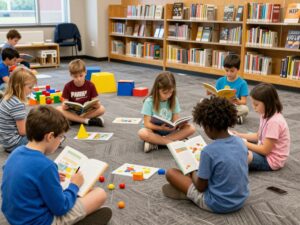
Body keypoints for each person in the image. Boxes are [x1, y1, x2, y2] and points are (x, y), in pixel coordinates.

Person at [1, 105, 112, 225]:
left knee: (79, 193)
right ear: (49, 137)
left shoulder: (16, 152)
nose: (60, 140)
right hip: (40, 221)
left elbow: (23, 177)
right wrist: (74, 185)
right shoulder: (46, 166)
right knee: (99, 193)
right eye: (60, 137)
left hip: (14, 218)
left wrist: (49, 178)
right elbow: (61, 208)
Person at [162, 97, 249, 213]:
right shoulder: (240, 142)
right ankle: (187, 190)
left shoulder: (208, 151)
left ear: (208, 127)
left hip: (216, 204)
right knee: (204, 172)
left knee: (171, 173)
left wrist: (192, 170)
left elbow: (200, 187)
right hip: (240, 199)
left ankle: (188, 195)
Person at [231, 83, 290, 171]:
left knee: (240, 154)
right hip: (265, 148)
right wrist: (239, 135)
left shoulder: (274, 122)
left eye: (256, 104)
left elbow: (265, 150)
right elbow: (258, 136)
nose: (254, 107)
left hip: (271, 160)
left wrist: (243, 143)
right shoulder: (265, 114)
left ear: (268, 103)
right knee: (246, 137)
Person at [138, 71, 195, 153]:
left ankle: (156, 143)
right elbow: (147, 124)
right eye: (165, 93)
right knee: (142, 133)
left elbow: (175, 120)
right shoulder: (149, 101)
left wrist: (179, 124)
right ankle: (172, 143)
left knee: (191, 128)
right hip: (154, 130)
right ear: (157, 90)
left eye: (171, 92)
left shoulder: (174, 99)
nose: (168, 95)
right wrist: (160, 128)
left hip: (169, 131)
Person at [56, 59, 105, 126]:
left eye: (81, 75)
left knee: (102, 109)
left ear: (85, 72)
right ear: (71, 75)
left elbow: (95, 100)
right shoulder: (67, 86)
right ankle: (85, 121)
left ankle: (74, 120)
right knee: (58, 109)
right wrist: (64, 106)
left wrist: (97, 104)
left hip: (86, 112)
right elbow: (64, 102)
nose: (78, 79)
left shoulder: (91, 85)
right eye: (75, 76)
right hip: (72, 112)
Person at [0, 67, 37, 153]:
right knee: (42, 134)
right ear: (19, 87)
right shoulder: (17, 104)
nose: (32, 90)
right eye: (30, 87)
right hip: (15, 144)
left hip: (6, 142)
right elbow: (23, 132)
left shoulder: (6, 98)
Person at [213, 54, 249, 124]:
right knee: (203, 102)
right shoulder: (220, 81)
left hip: (233, 107)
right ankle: (233, 117)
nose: (229, 73)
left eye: (232, 71)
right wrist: (211, 93)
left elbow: (244, 102)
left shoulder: (242, 83)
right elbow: (216, 96)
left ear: (238, 69)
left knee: (245, 109)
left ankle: (221, 116)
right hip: (221, 105)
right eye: (226, 70)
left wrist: (238, 102)